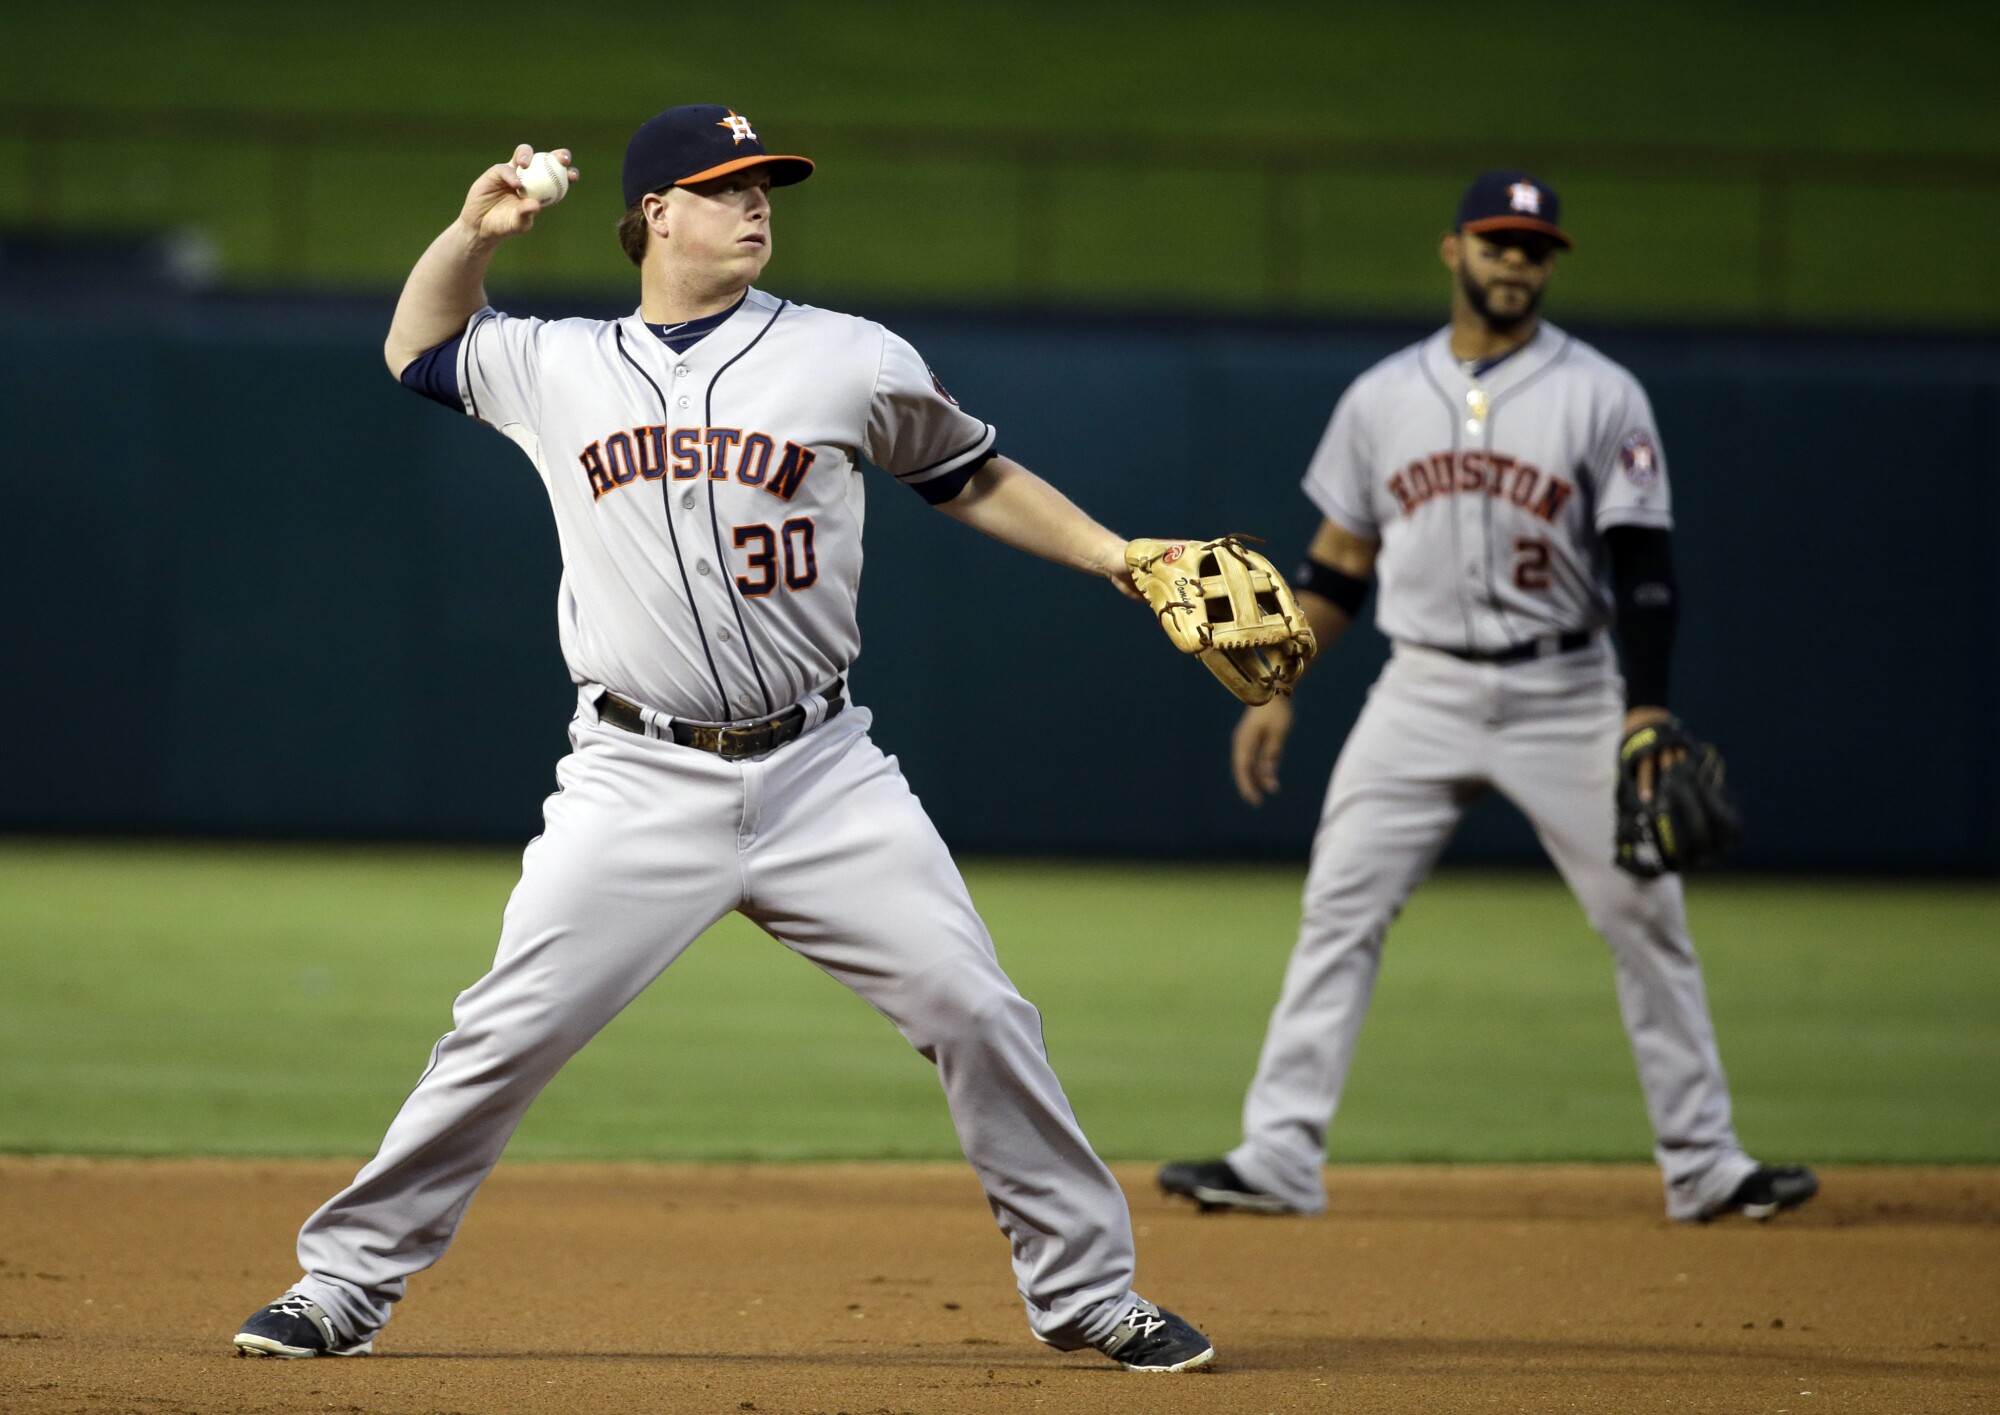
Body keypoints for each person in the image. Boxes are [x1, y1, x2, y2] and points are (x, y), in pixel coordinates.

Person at [232, 104, 1213, 1374]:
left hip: (823, 772)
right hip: (635, 774)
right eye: (724, 186)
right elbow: (417, 346)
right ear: (652, 215)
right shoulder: (557, 362)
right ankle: (343, 1282)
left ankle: (1087, 1293)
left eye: (766, 187)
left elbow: (970, 471)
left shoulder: (847, 356)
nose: (756, 205)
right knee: (503, 1032)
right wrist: (471, 234)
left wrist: (1119, 559)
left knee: (979, 1010)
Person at [1158, 172, 1817, 1225]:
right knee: (1339, 905)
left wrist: (1643, 707)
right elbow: (1335, 570)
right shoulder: (1380, 396)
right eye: (1497, 242)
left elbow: (1642, 566)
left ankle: (1704, 1166)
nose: (1516, 261)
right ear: (1450, 250)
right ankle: (1277, 1154)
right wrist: (1275, 685)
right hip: (1418, 688)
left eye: (1535, 247)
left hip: (1565, 688)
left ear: (1550, 263)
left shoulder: (1601, 393)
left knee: (1645, 916)